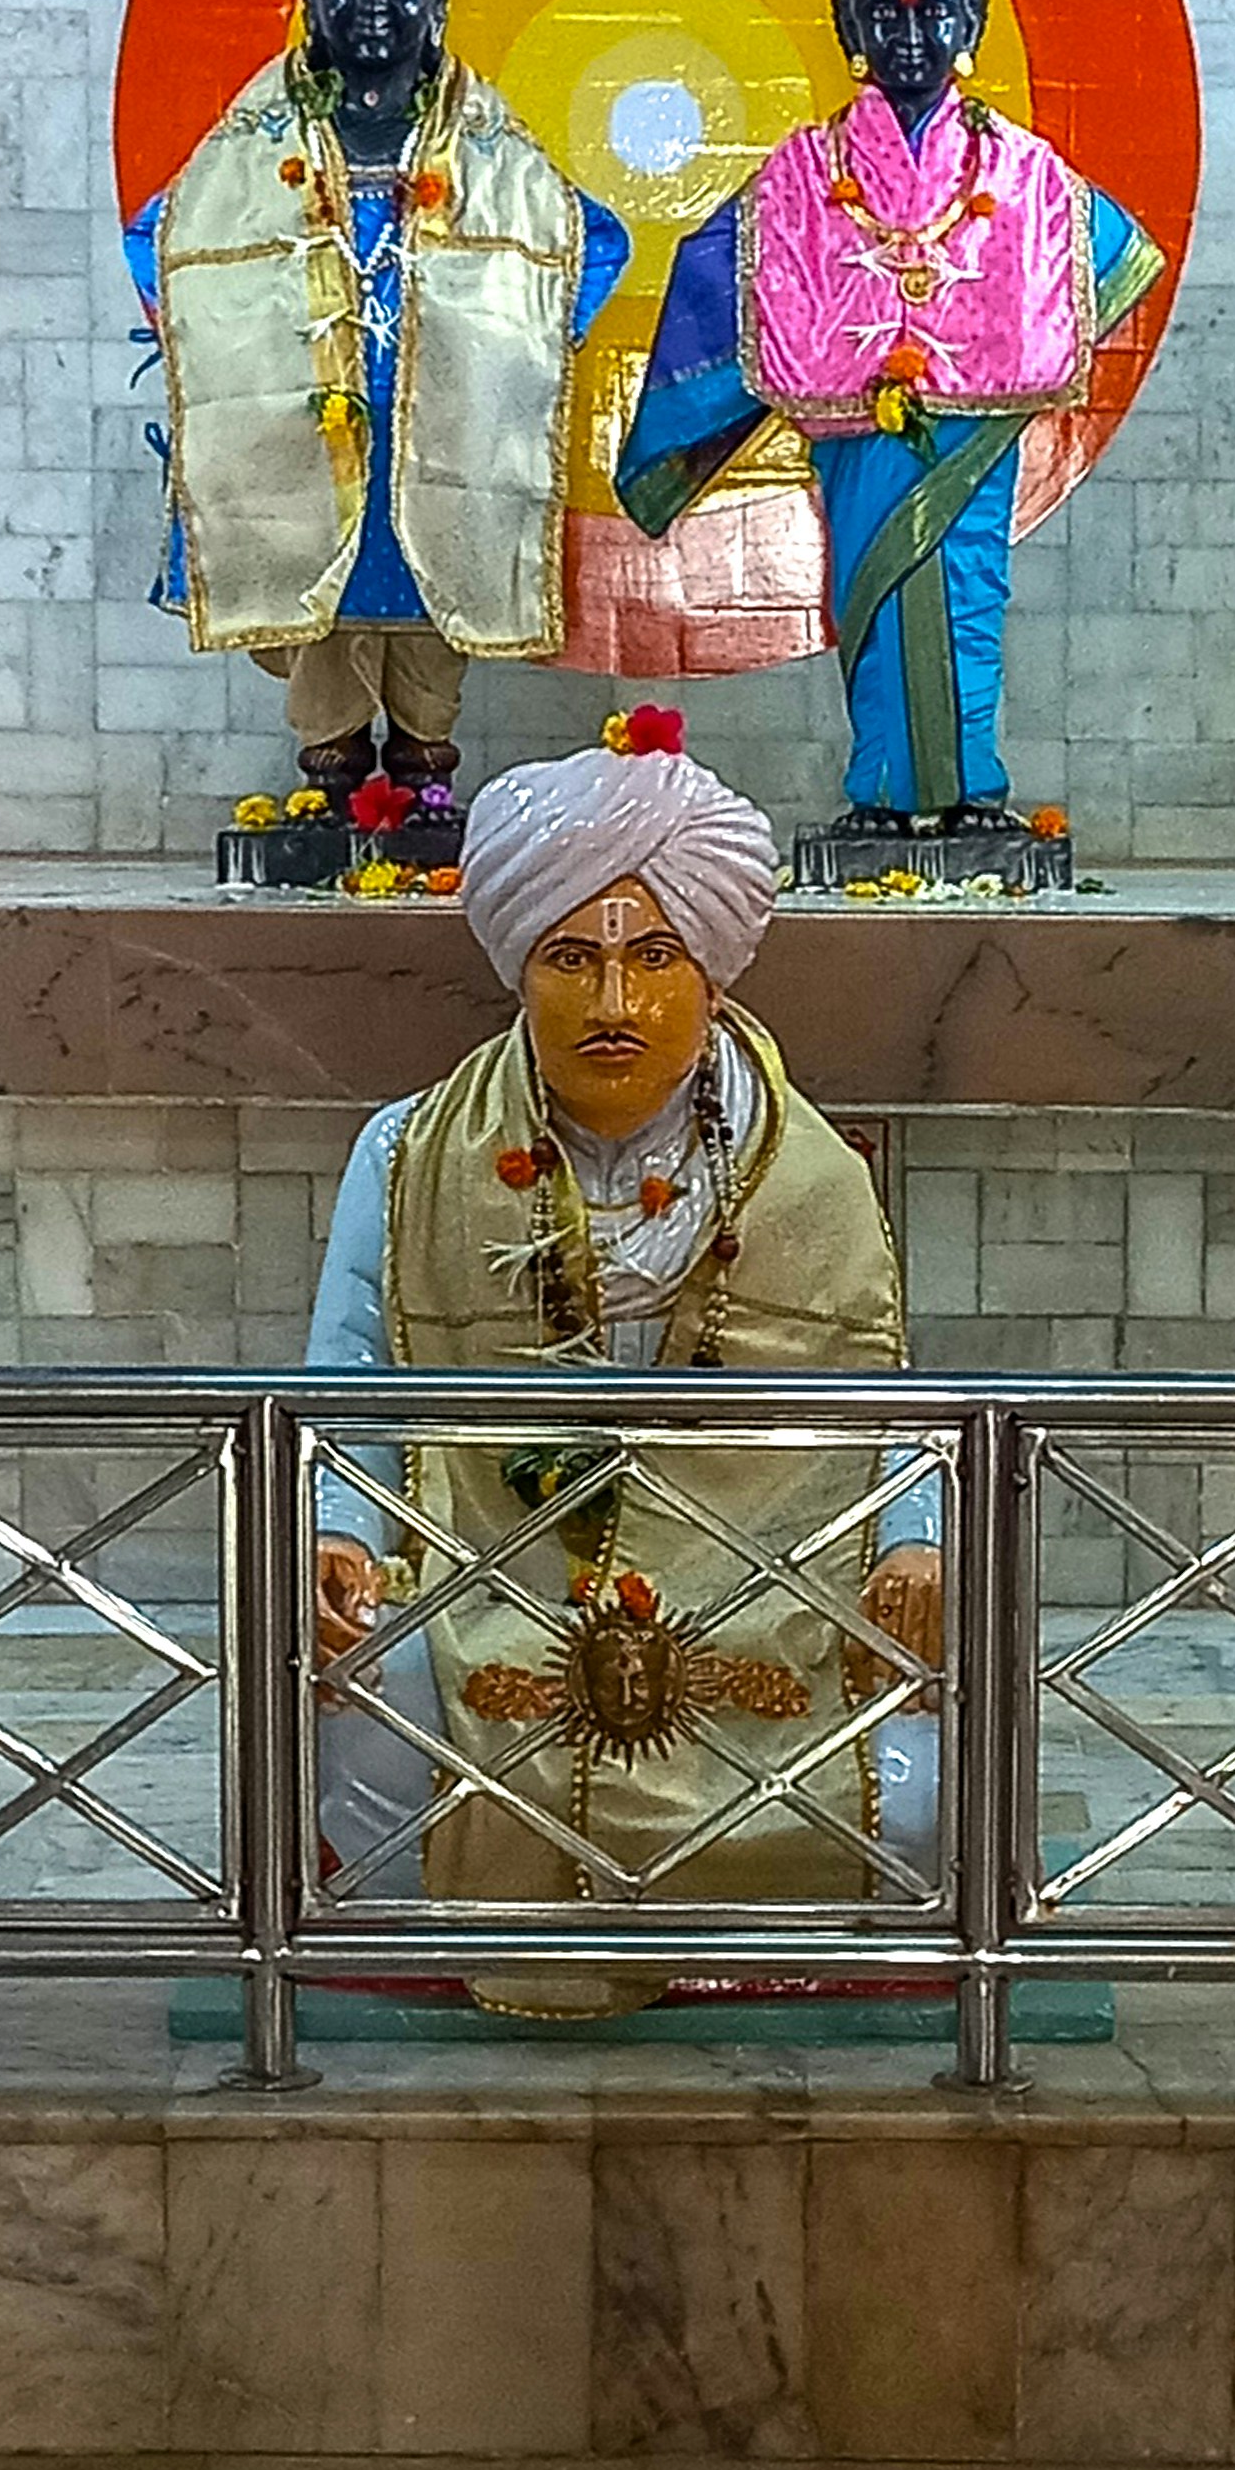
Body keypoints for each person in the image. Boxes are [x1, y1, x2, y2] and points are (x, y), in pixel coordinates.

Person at [305, 722, 941, 1989]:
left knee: (917, 1798)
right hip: (487, 1575)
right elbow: (348, 1393)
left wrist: (919, 1541)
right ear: (515, 970)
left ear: (712, 974)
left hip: (758, 1595)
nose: (613, 1004)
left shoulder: (807, 1175)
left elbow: (889, 1412)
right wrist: (341, 1534)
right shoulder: (406, 1156)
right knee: (373, 1741)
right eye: (570, 957)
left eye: (654, 956)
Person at [130, 0, 626, 866]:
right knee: (321, 595)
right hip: (311, 413)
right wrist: (238, 327)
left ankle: (424, 777)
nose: (371, 1)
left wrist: (515, 340)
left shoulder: (483, 139)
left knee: (428, 589)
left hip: (436, 407)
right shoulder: (261, 135)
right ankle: (329, 780)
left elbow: (592, 238)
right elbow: (161, 238)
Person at [612, 0, 1160, 832]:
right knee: (863, 598)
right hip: (857, 431)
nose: (910, 33)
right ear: (852, 35)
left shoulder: (1020, 168)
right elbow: (721, 270)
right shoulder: (803, 170)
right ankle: (878, 798)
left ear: (968, 27)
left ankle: (971, 795)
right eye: (884, 13)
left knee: (968, 597)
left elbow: (1107, 250)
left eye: (932, 9)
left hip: (970, 435)